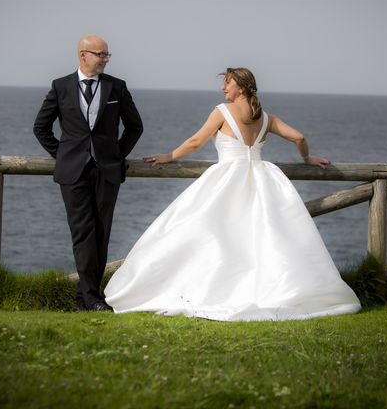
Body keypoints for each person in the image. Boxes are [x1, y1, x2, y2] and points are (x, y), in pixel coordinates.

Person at [104, 67, 360, 321]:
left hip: (226, 179)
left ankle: (207, 289)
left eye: (227, 83)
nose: (223, 88)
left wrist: (169, 156)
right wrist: (307, 158)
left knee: (205, 232)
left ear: (242, 87)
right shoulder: (266, 117)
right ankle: (267, 290)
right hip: (262, 179)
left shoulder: (222, 111)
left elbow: (196, 142)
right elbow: (299, 137)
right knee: (262, 239)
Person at [33, 35, 143, 311]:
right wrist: (62, 156)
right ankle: (93, 297)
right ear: (83, 55)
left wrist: (116, 155)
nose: (106, 59)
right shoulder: (61, 87)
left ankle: (86, 297)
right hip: (73, 172)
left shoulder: (117, 87)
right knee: (82, 232)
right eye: (101, 54)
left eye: (107, 55)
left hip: (107, 171)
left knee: (101, 232)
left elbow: (135, 127)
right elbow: (41, 128)